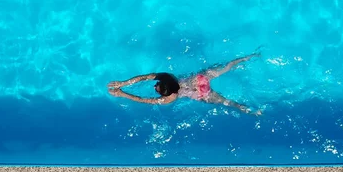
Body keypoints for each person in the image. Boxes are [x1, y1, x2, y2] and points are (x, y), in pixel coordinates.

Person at [107, 52, 262, 116]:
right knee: (226, 67)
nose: (155, 86)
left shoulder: (171, 98)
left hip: (200, 94)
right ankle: (248, 58)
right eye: (157, 85)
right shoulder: (168, 76)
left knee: (227, 103)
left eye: (158, 88)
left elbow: (143, 98)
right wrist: (122, 83)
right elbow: (145, 78)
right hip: (200, 79)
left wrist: (122, 92)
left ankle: (251, 111)